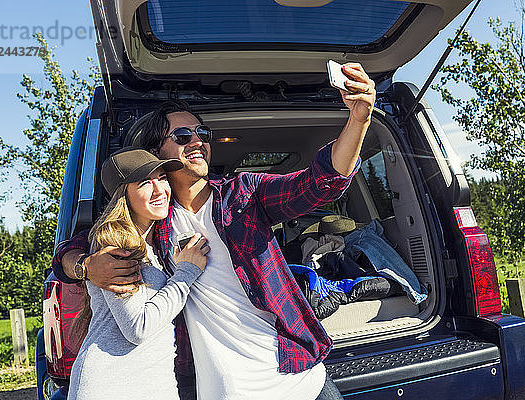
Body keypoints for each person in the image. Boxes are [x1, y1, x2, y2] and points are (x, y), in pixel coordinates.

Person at [53, 63, 376, 400]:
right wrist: (85, 266)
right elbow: (78, 247)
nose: (197, 141)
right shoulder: (154, 221)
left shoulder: (243, 195)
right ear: (156, 154)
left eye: (201, 134)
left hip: (298, 376)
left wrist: (359, 120)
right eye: (182, 136)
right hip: (228, 390)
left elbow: (317, 184)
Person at [67, 148, 209, 400]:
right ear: (124, 196)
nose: (159, 190)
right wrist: (186, 273)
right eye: (145, 183)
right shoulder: (115, 244)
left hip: (154, 382)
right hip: (111, 385)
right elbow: (138, 328)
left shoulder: (155, 244)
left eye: (162, 179)